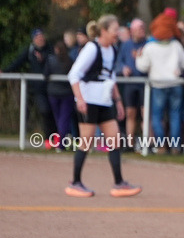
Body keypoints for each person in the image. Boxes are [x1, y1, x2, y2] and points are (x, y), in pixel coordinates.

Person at [65, 15, 141, 197]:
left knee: (115, 141)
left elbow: (110, 77)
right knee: (86, 142)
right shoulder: (92, 48)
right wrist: (80, 99)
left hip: (104, 101)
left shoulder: (113, 50)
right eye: (115, 30)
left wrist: (118, 101)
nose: (117, 33)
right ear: (104, 31)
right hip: (88, 102)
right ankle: (75, 182)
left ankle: (119, 183)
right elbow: (73, 75)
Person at [136, 10, 184, 155]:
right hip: (175, 84)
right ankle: (175, 146)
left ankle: (160, 146)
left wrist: (138, 57)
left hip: (158, 85)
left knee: (157, 116)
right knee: (175, 115)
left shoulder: (150, 47)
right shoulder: (175, 46)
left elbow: (142, 67)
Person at [3, 28, 58, 140]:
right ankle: (48, 138)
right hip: (38, 89)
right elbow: (18, 62)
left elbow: (56, 63)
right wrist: (5, 71)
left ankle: (55, 138)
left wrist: (43, 60)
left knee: (54, 113)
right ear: (33, 39)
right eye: (38, 37)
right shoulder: (30, 50)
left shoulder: (50, 49)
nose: (41, 39)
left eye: (42, 36)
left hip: (51, 87)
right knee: (44, 111)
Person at [114, 18, 148, 149]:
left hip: (145, 84)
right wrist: (123, 68)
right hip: (130, 84)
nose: (142, 31)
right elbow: (118, 62)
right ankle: (129, 143)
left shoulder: (148, 44)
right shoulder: (126, 45)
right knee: (130, 113)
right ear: (132, 31)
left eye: (143, 29)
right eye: (139, 29)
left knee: (146, 113)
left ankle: (148, 143)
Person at [44, 40, 76, 149]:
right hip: (67, 93)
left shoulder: (51, 60)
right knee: (64, 119)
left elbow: (45, 74)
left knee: (59, 119)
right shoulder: (70, 61)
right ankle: (62, 143)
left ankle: (61, 144)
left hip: (53, 93)